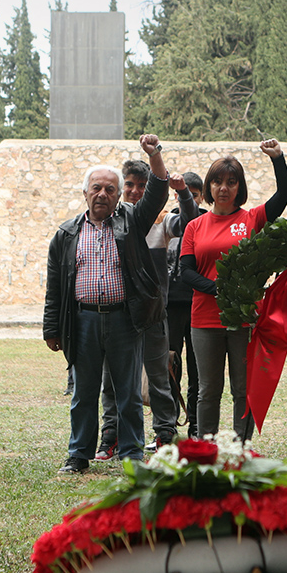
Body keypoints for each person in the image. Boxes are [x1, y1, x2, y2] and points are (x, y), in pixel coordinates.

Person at [43, 135, 172, 473]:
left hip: (124, 320)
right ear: (85, 193)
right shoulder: (66, 233)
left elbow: (159, 189)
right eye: (96, 188)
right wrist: (51, 328)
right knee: (83, 393)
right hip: (82, 321)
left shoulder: (133, 221)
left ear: (118, 196)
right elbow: (55, 286)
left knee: (128, 393)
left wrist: (154, 154)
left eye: (110, 190)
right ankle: (79, 455)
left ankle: (131, 454)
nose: (102, 194)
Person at [179, 140, 287, 442]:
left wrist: (278, 158)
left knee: (243, 389)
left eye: (231, 182)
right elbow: (185, 271)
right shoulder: (195, 226)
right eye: (217, 181)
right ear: (209, 186)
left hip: (244, 320)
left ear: (239, 187)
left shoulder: (251, 219)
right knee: (207, 390)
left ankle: (241, 447)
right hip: (204, 320)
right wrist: (218, 289)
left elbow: (284, 195)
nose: (223, 188)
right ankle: (207, 447)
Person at [93, 159, 200, 458]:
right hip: (116, 313)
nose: (136, 191)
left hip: (153, 313)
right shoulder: (107, 224)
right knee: (111, 379)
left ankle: (165, 434)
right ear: (121, 189)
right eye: (130, 185)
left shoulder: (161, 222)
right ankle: (111, 435)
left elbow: (191, 223)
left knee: (159, 375)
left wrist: (183, 195)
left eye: (142, 186)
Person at [165, 172, 206, 438]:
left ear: (202, 196)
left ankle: (196, 426)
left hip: (198, 304)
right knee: (168, 368)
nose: (188, 196)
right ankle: (166, 426)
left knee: (198, 370)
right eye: (184, 192)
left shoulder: (207, 222)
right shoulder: (166, 221)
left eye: (194, 192)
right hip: (169, 305)